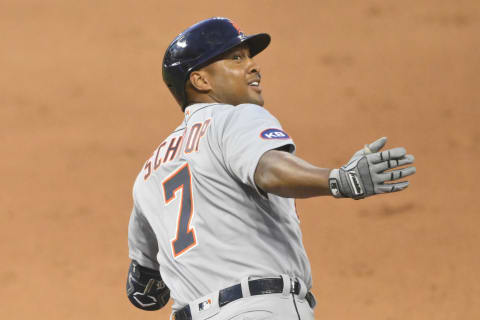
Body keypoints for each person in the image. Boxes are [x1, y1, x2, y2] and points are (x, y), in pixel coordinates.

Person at [126, 17, 416, 320]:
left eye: (250, 57)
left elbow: (142, 286)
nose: (253, 66)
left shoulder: (149, 173)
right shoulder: (234, 118)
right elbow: (268, 169)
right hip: (258, 310)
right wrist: (339, 179)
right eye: (236, 58)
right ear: (201, 81)